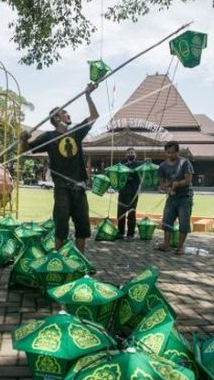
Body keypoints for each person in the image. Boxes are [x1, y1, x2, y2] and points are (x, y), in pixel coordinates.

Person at [20, 82, 99, 254]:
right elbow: (26, 151)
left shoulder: (76, 132)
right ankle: (59, 262)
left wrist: (88, 96)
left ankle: (80, 262)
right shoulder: (48, 137)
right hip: (62, 189)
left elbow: (94, 116)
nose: (68, 114)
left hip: (79, 188)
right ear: (56, 118)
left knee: (82, 229)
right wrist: (24, 139)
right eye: (64, 112)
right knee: (61, 229)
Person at [157, 141, 194, 255]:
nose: (170, 155)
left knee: (184, 222)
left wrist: (177, 184)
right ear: (166, 153)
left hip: (184, 197)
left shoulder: (184, 163)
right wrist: (166, 189)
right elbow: (161, 184)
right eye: (168, 153)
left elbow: (188, 180)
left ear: (177, 152)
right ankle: (166, 245)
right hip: (171, 197)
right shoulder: (163, 166)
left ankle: (180, 247)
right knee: (167, 220)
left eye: (173, 152)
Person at [116, 147, 142, 241]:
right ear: (126, 155)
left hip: (133, 193)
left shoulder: (139, 165)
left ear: (135, 155)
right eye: (128, 153)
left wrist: (148, 161)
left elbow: (147, 166)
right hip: (122, 192)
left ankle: (130, 234)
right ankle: (120, 233)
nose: (130, 154)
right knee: (120, 213)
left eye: (132, 152)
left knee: (131, 213)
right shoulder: (122, 165)